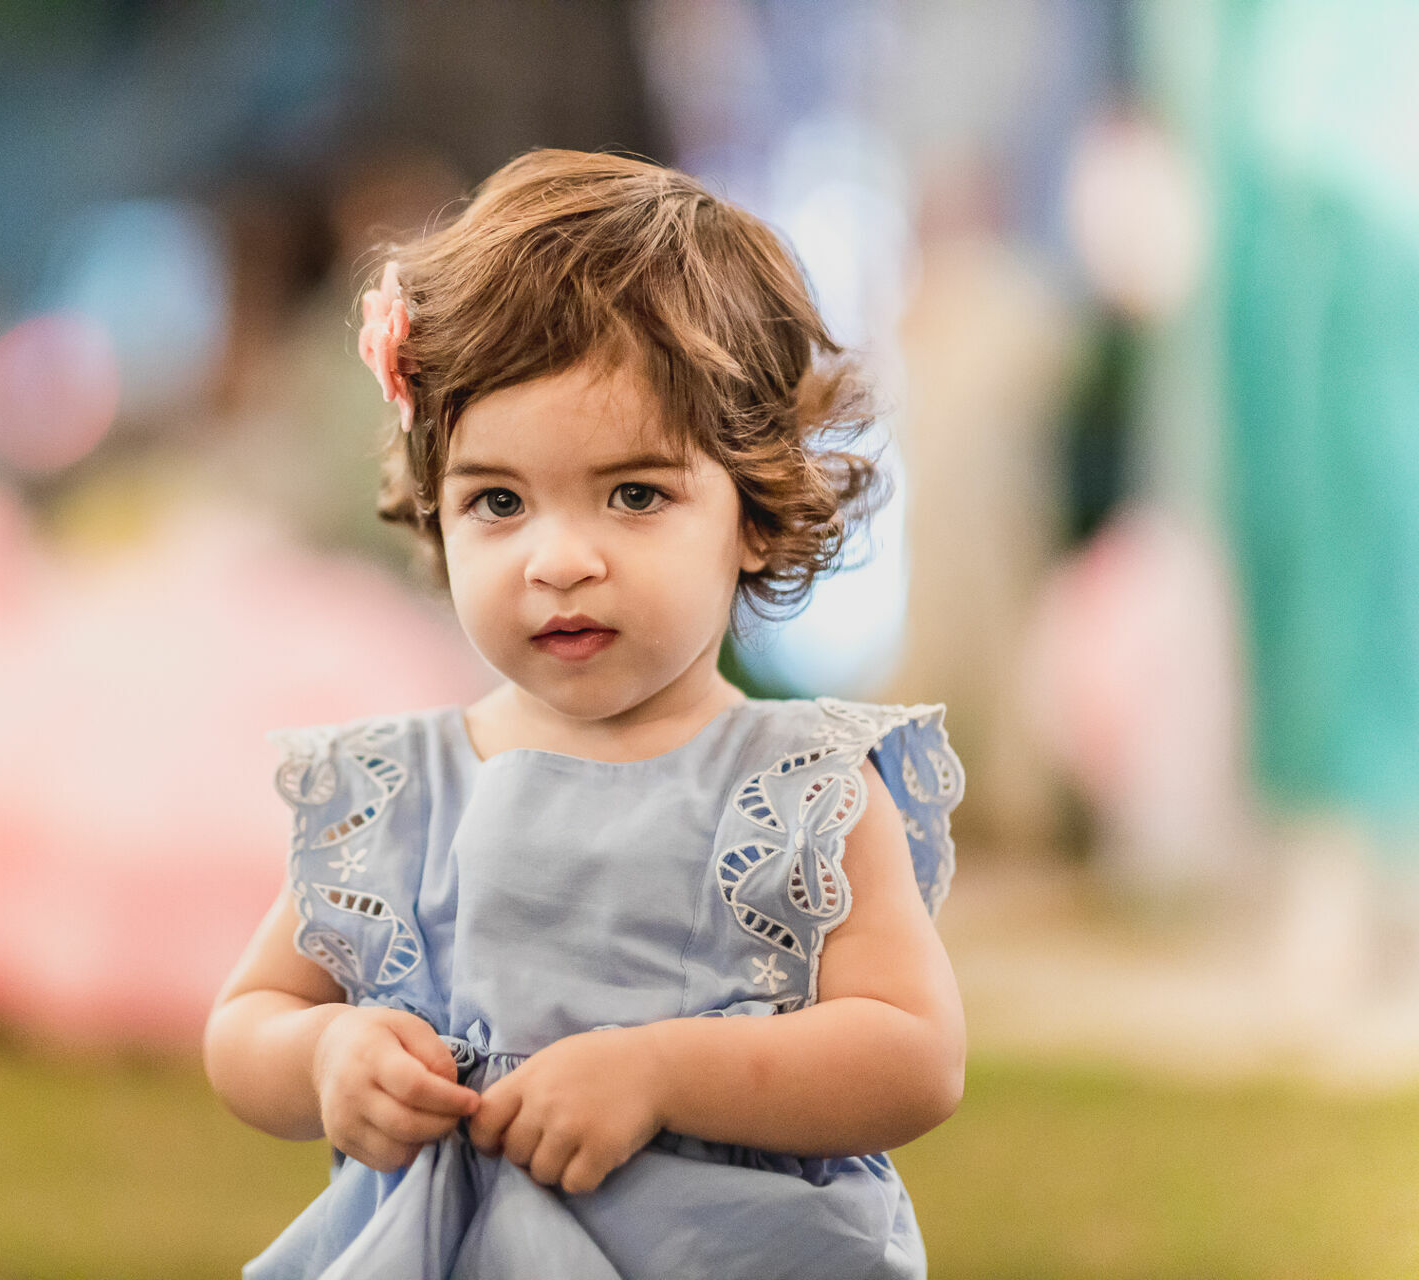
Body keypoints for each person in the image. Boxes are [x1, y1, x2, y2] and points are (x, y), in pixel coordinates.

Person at [203, 149, 966, 1279]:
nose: (559, 560)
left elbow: (913, 1056)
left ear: (755, 512)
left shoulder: (798, 783)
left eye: (635, 494)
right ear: (436, 510)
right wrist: (327, 1053)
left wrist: (662, 1073)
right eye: (499, 501)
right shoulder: (403, 791)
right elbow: (247, 1021)